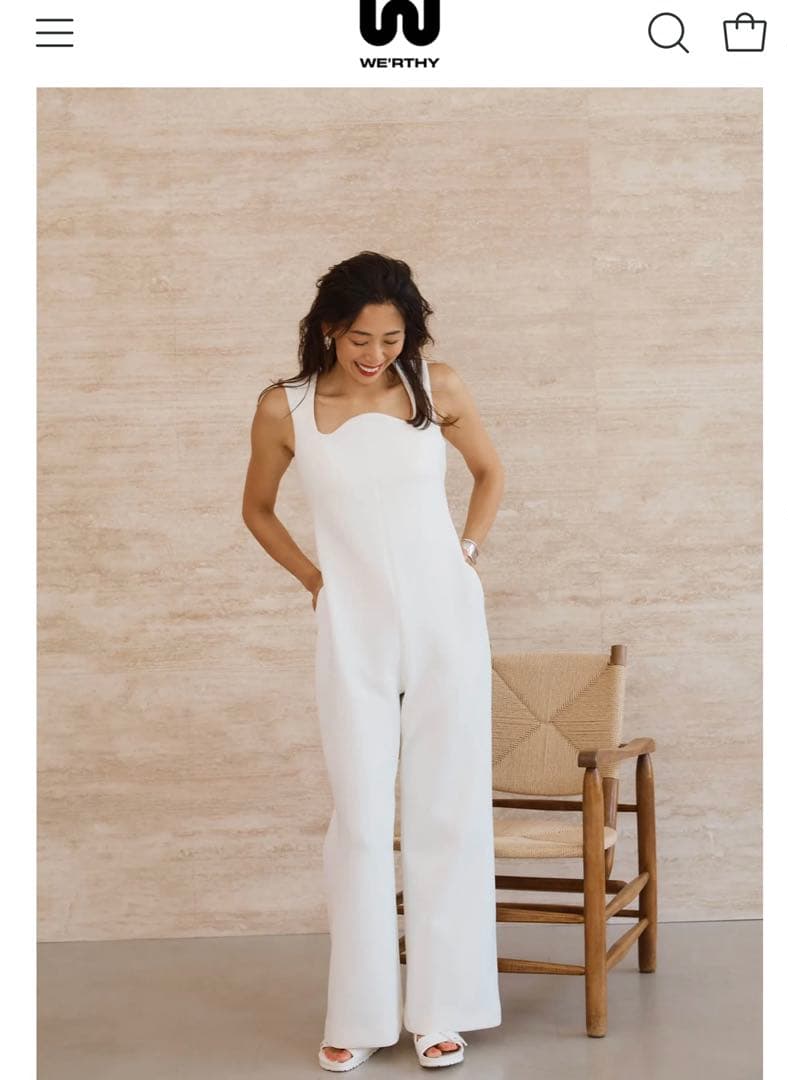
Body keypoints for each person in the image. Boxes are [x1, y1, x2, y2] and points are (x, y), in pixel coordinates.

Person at [242, 252, 505, 1071]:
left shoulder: (436, 386)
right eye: (361, 338)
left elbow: (490, 472)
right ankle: (358, 1015)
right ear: (329, 327)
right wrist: (315, 581)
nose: (376, 354)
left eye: (392, 339)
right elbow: (256, 509)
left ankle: (441, 1008)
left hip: (445, 623)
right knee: (359, 819)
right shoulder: (285, 407)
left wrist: (464, 555)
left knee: (444, 810)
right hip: (351, 627)